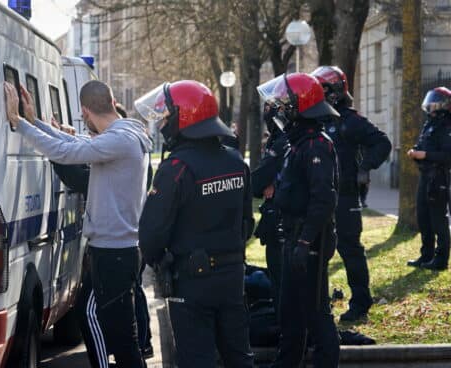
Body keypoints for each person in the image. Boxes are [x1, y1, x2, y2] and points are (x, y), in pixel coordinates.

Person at [3, 80, 151, 368]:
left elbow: (65, 153)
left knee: (121, 340)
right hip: (113, 249)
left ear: (84, 111)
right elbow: (76, 143)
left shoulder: (120, 140)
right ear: (110, 100)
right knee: (91, 315)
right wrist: (34, 122)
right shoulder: (125, 132)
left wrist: (18, 122)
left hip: (114, 252)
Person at [136, 80, 254, 368]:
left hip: (191, 280)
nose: (163, 122)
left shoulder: (175, 169)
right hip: (232, 275)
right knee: (239, 356)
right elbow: (247, 223)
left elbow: (151, 235)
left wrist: (159, 261)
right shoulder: (236, 161)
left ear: (183, 117)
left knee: (196, 359)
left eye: (165, 116)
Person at [50, 106, 156, 362]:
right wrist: (67, 139)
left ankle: (136, 350)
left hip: (115, 250)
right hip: (124, 247)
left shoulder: (120, 149)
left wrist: (58, 148)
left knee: (95, 315)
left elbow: (81, 176)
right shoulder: (131, 145)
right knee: (125, 328)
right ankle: (143, 346)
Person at [257, 73, 340, 367]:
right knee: (290, 311)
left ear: (298, 106)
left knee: (316, 313)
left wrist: (305, 241)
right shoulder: (298, 142)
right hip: (294, 235)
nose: (278, 110)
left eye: (283, 104)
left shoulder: (317, 144)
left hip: (310, 239)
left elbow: (323, 199)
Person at [311, 66, 392, 322]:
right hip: (322, 197)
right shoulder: (317, 120)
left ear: (334, 91)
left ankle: (361, 304)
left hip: (345, 197)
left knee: (350, 250)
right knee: (318, 250)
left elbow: (382, 142)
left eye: (322, 89)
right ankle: (318, 302)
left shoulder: (350, 121)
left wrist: (365, 167)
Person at [406, 87, 451, 271]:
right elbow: (422, 143)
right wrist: (414, 151)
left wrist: (425, 155)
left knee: (438, 219)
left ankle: (441, 260)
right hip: (425, 176)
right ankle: (426, 255)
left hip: (439, 177)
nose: (430, 104)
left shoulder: (447, 126)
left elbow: (447, 156)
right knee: (423, 217)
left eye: (435, 100)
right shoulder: (430, 123)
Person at [251, 102, 290, 312]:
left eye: (270, 108)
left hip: (282, 220)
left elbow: (256, 181)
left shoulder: (282, 142)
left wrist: (273, 182)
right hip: (285, 219)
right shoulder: (287, 139)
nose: (267, 113)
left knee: (281, 280)